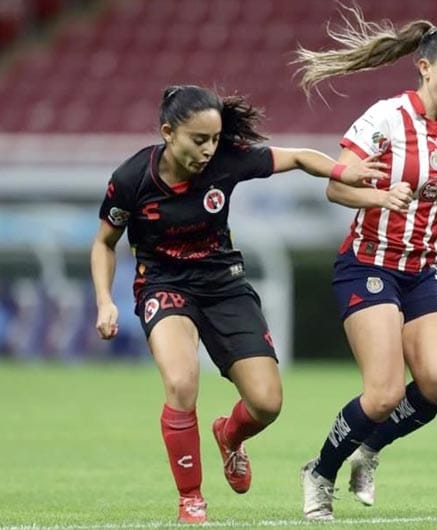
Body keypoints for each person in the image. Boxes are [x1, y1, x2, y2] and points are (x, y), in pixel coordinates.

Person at [90, 84, 386, 524]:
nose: (209, 150)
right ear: (168, 132)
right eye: (199, 140)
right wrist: (104, 302)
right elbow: (104, 244)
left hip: (224, 285)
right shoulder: (132, 179)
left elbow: (301, 157)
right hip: (163, 286)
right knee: (182, 382)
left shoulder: (227, 160)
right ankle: (191, 498)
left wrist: (344, 173)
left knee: (267, 403)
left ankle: (229, 436)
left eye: (214, 139)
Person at [293, 6, 437, 521]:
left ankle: (368, 450)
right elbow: (336, 185)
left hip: (421, 269)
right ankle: (320, 472)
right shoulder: (384, 119)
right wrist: (380, 199)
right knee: (383, 393)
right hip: (367, 264)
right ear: (424, 67)